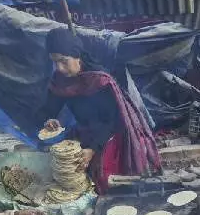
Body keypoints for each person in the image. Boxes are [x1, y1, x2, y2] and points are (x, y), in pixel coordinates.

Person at [39, 27, 162, 194]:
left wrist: (93, 149)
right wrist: (50, 119)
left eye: (64, 60)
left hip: (110, 135)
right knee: (71, 177)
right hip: (84, 133)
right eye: (55, 62)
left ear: (77, 56)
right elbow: (49, 107)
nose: (59, 68)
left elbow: (114, 120)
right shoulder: (60, 79)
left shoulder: (99, 80)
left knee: (105, 181)